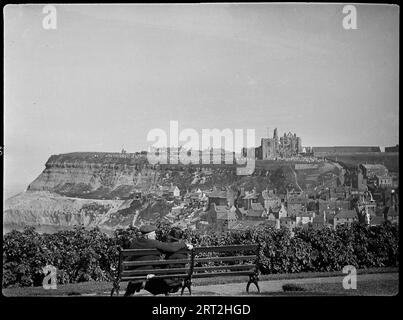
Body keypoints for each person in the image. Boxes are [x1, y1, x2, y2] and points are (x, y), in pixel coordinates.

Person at [124, 224, 193, 296]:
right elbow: (171, 248)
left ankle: (128, 294)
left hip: (135, 272)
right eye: (153, 234)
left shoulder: (134, 242)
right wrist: (184, 244)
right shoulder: (153, 243)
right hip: (148, 272)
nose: (155, 236)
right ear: (147, 236)